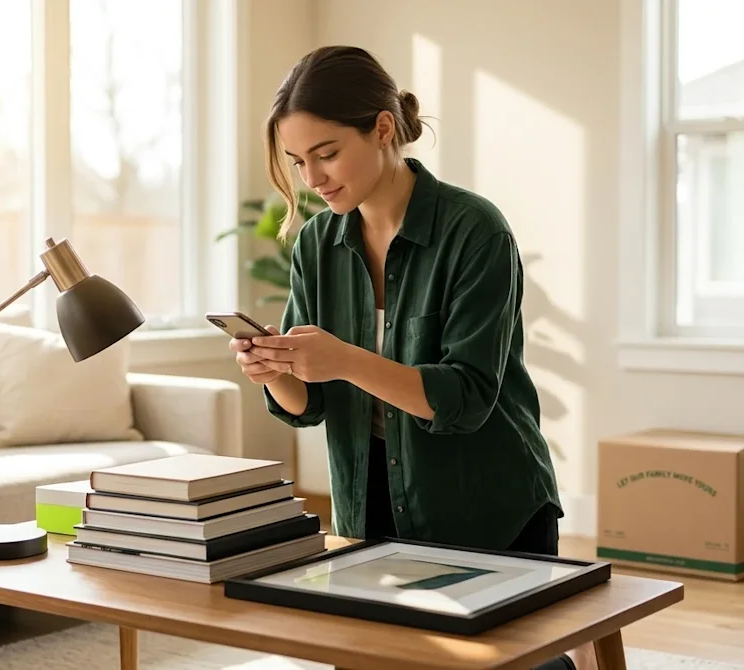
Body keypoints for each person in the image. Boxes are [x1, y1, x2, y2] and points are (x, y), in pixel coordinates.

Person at [229, 46, 593, 670]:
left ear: (382, 128)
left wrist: (344, 359)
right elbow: (308, 406)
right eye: (298, 162)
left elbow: (466, 398)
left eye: (326, 153)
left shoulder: (474, 230)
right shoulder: (317, 243)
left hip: (483, 503)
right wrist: (275, 369)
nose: (312, 178)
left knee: (493, 663)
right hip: (367, 504)